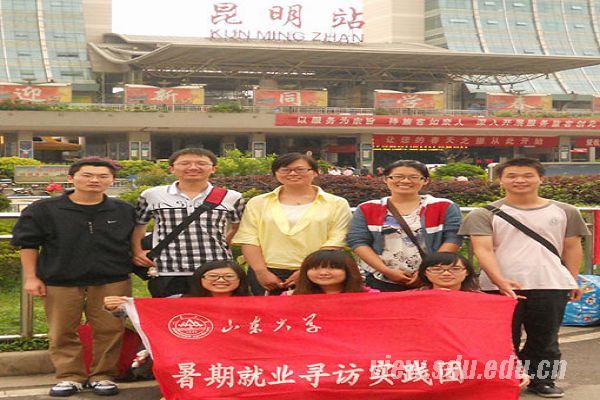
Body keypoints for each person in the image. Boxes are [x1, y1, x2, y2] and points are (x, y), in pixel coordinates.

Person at [459, 157, 590, 398]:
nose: (520, 180)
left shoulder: (566, 211)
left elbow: (572, 247)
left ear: (541, 179)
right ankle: (504, 379)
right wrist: (499, 280)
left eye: (528, 175)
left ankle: (543, 380)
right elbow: (483, 250)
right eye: (512, 176)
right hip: (498, 287)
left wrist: (571, 280)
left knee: (546, 337)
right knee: (502, 338)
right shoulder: (483, 214)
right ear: (500, 180)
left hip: (551, 283)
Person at [11, 157, 136, 397]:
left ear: (111, 180)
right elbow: (28, 244)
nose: (95, 180)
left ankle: (103, 375)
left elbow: (133, 241)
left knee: (110, 329)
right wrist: (31, 277)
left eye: (102, 176)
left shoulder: (123, 210)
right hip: (60, 279)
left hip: (112, 279)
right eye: (87, 175)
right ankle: (70, 376)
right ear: (71, 178)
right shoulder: (44, 209)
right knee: (62, 331)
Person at [104, 260, 248, 400]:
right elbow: (146, 313)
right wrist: (118, 307)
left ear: (240, 280)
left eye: (229, 276)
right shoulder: (178, 300)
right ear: (200, 278)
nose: (221, 280)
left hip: (238, 357)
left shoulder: (253, 304)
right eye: (213, 276)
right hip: (192, 357)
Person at [131, 148, 244, 298]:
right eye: (185, 163)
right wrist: (137, 251)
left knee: (214, 310)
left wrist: (224, 244)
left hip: (214, 270)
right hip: (168, 269)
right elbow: (139, 225)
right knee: (171, 311)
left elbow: (237, 226)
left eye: (201, 163)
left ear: (213, 169)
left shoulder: (231, 197)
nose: (193, 167)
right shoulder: (152, 195)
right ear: (172, 168)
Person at [233, 153, 352, 295]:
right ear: (276, 174)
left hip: (318, 271)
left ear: (315, 172)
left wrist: (306, 270)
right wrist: (261, 271)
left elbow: (337, 239)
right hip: (268, 271)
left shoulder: (336, 203)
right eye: (285, 170)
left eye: (300, 169)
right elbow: (248, 238)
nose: (293, 174)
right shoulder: (258, 202)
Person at [347, 160, 463, 292]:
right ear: (385, 179)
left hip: (433, 278)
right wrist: (386, 271)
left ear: (425, 180)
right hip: (381, 278)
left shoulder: (444, 206)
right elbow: (358, 242)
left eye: (413, 177)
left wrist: (427, 269)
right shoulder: (367, 208)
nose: (405, 181)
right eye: (398, 176)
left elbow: (453, 238)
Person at [287, 249, 377, 295]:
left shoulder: (371, 296)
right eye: (315, 268)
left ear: (349, 270)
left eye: (332, 268)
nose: (323, 273)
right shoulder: (291, 297)